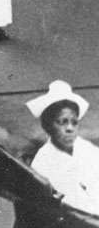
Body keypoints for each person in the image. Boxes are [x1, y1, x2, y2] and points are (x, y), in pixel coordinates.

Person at [27, 81, 99, 216]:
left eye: (74, 122)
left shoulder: (86, 148)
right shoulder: (43, 163)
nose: (70, 129)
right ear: (48, 126)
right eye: (62, 122)